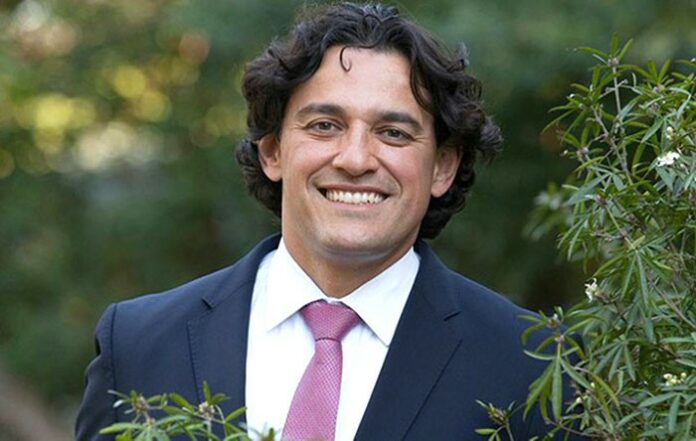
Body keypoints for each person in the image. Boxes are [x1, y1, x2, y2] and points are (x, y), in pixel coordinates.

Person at [76, 3, 579, 440]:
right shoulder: (140, 345)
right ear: (273, 151)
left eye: (393, 133)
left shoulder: (534, 364)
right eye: (325, 125)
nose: (356, 158)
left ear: (442, 167)